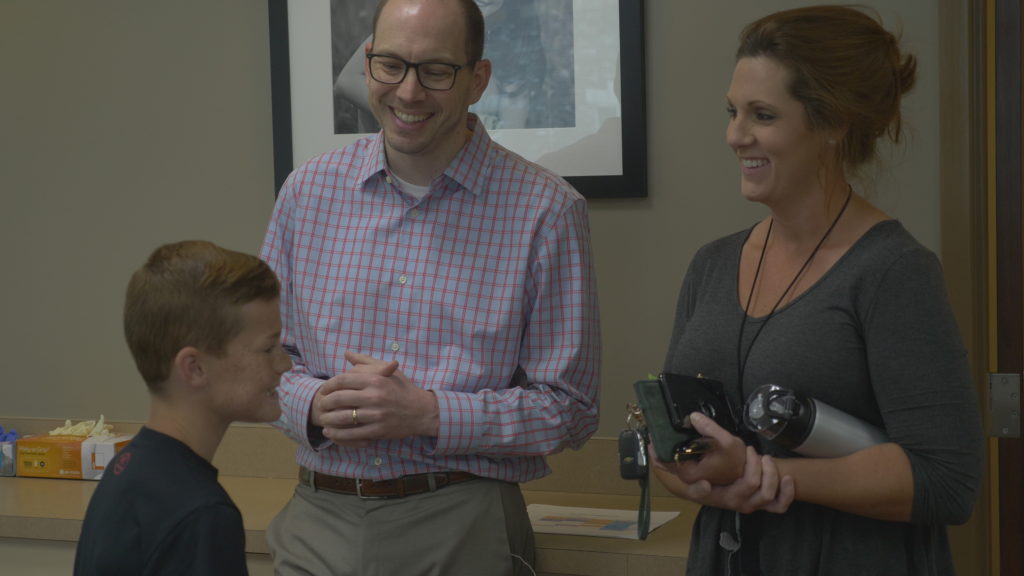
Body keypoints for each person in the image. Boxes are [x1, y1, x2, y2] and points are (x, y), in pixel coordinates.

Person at [260, 0, 600, 574]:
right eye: (390, 64)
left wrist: (428, 413)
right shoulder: (306, 194)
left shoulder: (546, 211)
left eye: (436, 71)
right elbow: (262, 361)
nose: (408, 92)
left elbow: (570, 408)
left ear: (479, 79)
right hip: (317, 519)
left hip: (463, 522)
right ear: (367, 64)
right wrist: (314, 404)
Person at [652, 6, 983, 576]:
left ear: (833, 125)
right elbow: (669, 441)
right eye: (732, 112)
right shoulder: (712, 265)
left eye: (763, 115)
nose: (736, 136)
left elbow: (945, 480)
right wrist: (697, 476)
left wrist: (767, 476)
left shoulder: (893, 271)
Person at [74, 240, 291, 575]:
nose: (285, 363)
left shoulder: (128, 468)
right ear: (195, 368)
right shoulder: (201, 514)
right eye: (268, 348)